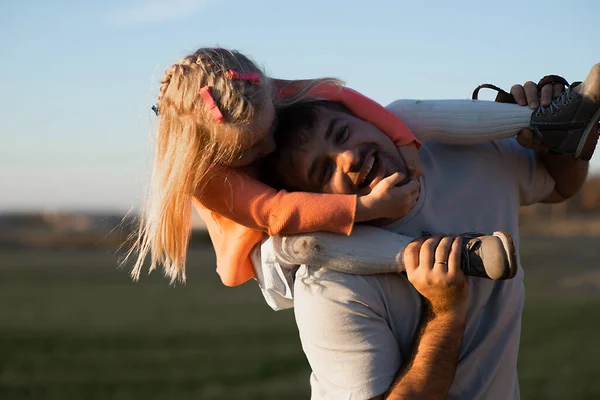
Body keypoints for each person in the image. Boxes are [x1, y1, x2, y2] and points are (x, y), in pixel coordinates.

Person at [253, 64, 599, 399]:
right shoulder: (329, 287)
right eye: (323, 170)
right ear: (312, 205)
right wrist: (444, 314)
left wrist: (555, 134)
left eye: (342, 133)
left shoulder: (460, 150)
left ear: (369, 118)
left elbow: (557, 185)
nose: (348, 158)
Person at [128, 46, 600, 290]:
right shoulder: (208, 178)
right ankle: (455, 256)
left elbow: (346, 98)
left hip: (310, 201)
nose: (272, 142)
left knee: (399, 111)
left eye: (271, 126)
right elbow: (275, 212)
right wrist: (363, 207)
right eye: (254, 148)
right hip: (268, 252)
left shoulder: (253, 93)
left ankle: (552, 120)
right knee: (300, 246)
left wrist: (406, 141)